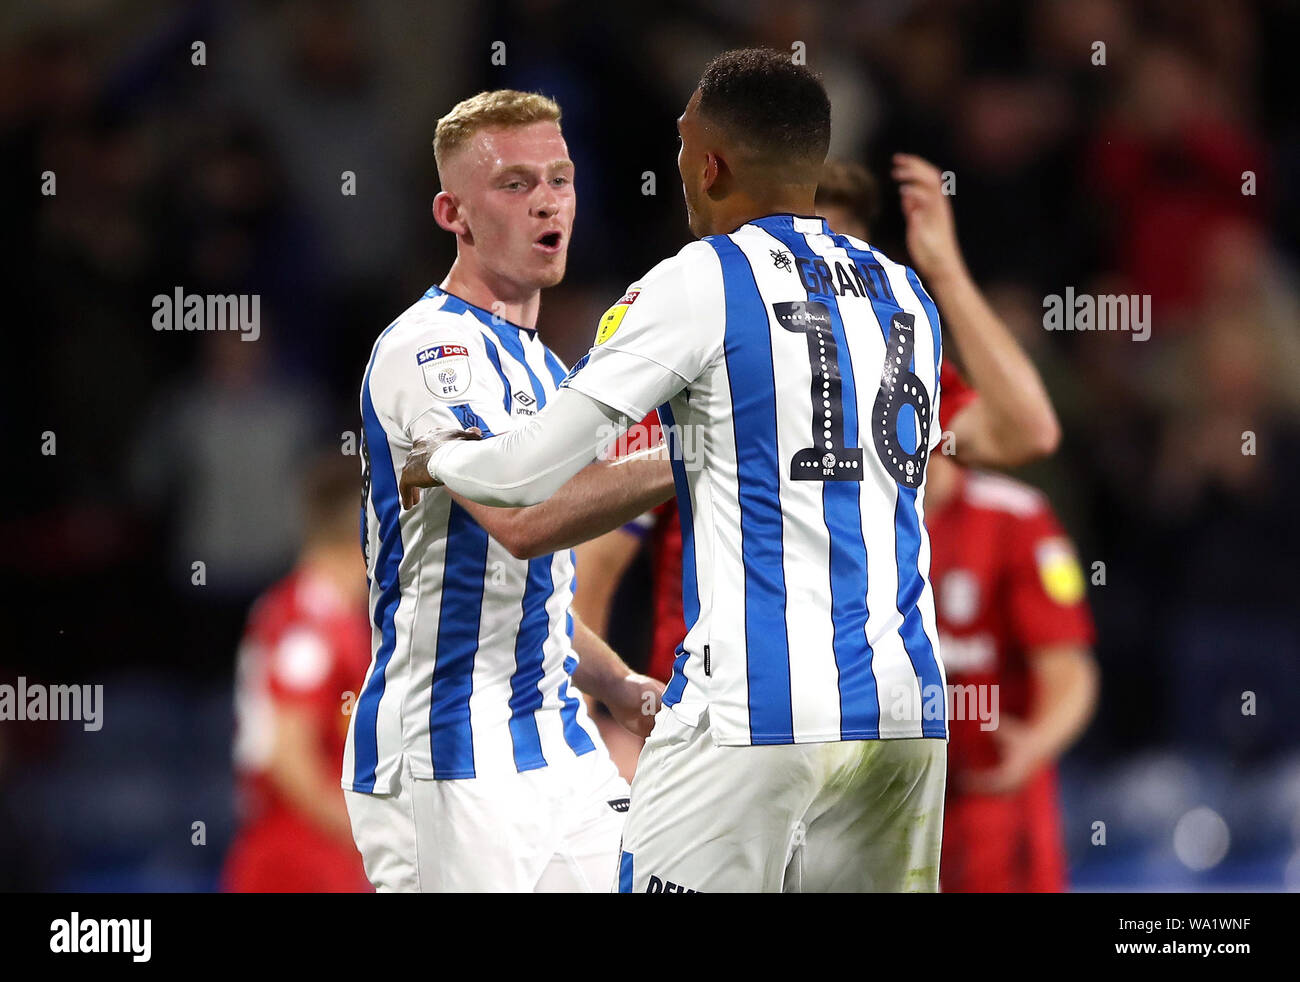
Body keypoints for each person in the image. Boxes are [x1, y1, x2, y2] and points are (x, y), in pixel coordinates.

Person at [402, 49, 954, 892]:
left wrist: (439, 455)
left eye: (683, 145)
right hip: (904, 707)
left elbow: (523, 477)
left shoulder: (700, 280)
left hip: (752, 710)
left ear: (712, 164)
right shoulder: (906, 295)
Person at [573, 153, 1063, 774]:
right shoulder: (699, 375)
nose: (822, 278)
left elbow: (1026, 432)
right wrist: (591, 724)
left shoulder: (894, 369)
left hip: (867, 728)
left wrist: (945, 270)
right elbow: (597, 559)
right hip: (721, 731)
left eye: (841, 257)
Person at [343, 89, 673, 892]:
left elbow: (532, 588)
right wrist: (703, 455)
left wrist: (616, 683)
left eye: (559, 180)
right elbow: (520, 525)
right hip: (447, 754)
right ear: (452, 213)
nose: (548, 202)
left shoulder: (547, 368)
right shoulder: (430, 350)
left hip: (558, 744)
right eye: (516, 184)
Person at [925, 451, 1098, 891]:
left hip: (992, 805)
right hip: (882, 801)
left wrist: (1035, 742)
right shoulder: (844, 515)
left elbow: (1070, 670)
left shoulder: (1015, 516)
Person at [223, 455, 374, 893]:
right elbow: (289, 757)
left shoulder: (318, 613)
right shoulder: (308, 624)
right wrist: (369, 840)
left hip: (314, 853)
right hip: (297, 860)